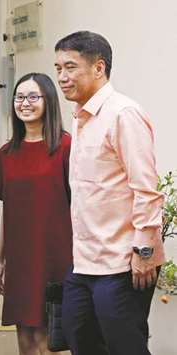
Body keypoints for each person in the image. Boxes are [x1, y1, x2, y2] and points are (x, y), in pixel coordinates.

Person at [54, 31, 165, 355]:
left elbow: (146, 188)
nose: (62, 77)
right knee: (78, 340)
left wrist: (144, 252)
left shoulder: (122, 114)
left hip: (122, 263)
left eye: (70, 67)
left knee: (124, 347)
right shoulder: (81, 116)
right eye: (58, 68)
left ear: (99, 68)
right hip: (85, 263)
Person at [0, 73, 72, 355]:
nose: (24, 103)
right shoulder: (6, 153)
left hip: (57, 257)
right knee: (26, 340)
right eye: (19, 97)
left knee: (52, 342)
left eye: (32, 97)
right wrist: (0, 260)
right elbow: (7, 211)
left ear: (48, 101)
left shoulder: (66, 147)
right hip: (20, 259)